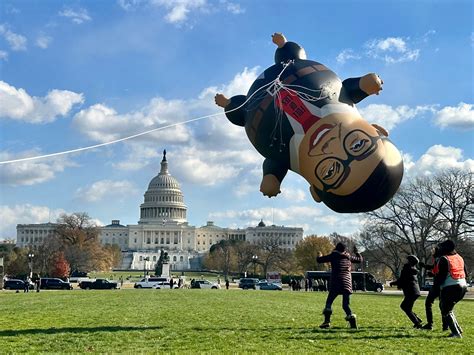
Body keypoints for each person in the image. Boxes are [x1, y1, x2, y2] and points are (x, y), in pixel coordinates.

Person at [215, 33, 403, 214]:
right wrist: (364, 85)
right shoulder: (339, 98)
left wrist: (271, 178)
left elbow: (274, 163)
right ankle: (283, 46)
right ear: (375, 129)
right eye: (358, 144)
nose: (332, 146)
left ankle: (228, 103)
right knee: (289, 53)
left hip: (255, 108)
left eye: (330, 171)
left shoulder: (284, 152)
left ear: (315, 189)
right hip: (294, 68)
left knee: (239, 110)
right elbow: (349, 89)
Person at [316, 243, 362, 329]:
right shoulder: (348, 257)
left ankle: (327, 322)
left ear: (336, 249)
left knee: (329, 302)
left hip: (336, 282)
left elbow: (320, 260)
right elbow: (359, 260)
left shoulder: (334, 255)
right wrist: (357, 252)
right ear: (345, 250)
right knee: (345, 305)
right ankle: (352, 323)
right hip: (347, 283)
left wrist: (319, 255)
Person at [435, 240, 468, 338]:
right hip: (463, 286)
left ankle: (456, 333)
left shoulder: (444, 259)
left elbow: (441, 276)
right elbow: (465, 272)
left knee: (445, 310)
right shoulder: (459, 257)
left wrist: (436, 287)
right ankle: (458, 330)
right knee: (448, 309)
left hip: (451, 287)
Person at [390, 255, 423, 328]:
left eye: (407, 260)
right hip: (415, 291)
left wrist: (393, 283)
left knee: (405, 307)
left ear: (410, 261)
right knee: (407, 308)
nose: (406, 261)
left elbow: (401, 280)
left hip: (411, 292)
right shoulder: (413, 269)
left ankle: (417, 323)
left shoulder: (406, 269)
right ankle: (417, 320)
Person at [419, 245, 446, 330]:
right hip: (441, 285)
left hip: (438, 285)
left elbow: (442, 273)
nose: (432, 252)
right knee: (442, 306)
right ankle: (445, 326)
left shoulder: (440, 259)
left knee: (428, 303)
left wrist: (432, 274)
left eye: (433, 251)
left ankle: (430, 324)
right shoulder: (439, 259)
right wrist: (424, 266)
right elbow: (432, 267)